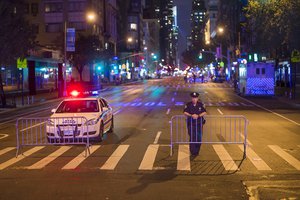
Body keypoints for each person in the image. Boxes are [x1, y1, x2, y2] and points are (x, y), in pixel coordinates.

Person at [183, 92, 207, 156]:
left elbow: (204, 112)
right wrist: (191, 115)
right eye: (193, 98)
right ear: (191, 98)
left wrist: (198, 116)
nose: (194, 99)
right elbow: (185, 112)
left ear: (197, 98)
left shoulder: (200, 104)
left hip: (199, 124)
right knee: (192, 137)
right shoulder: (188, 104)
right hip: (191, 124)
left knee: (199, 138)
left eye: (195, 98)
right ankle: (193, 151)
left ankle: (197, 150)